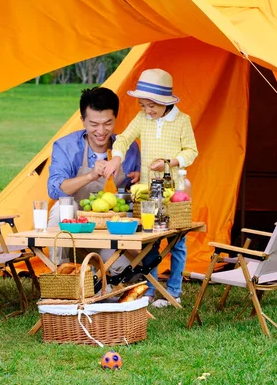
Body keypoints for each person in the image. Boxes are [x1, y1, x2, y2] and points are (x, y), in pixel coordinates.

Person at [103, 69, 198, 307]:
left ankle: (174, 290)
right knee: (149, 244)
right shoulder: (143, 119)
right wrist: (116, 157)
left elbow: (191, 151)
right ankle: (150, 290)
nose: (147, 111)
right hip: (147, 193)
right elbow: (123, 139)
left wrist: (170, 162)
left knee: (177, 244)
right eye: (143, 105)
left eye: (151, 106)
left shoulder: (182, 121)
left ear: (164, 102)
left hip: (174, 192)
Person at [47, 87, 140, 270]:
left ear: (115, 119)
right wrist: (90, 176)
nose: (101, 130)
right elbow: (54, 189)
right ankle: (62, 271)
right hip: (72, 229)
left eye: (107, 123)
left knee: (127, 271)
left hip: (108, 230)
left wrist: (139, 181)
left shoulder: (129, 149)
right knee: (62, 206)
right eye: (93, 124)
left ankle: (96, 273)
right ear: (82, 121)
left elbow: (131, 196)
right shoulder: (66, 147)